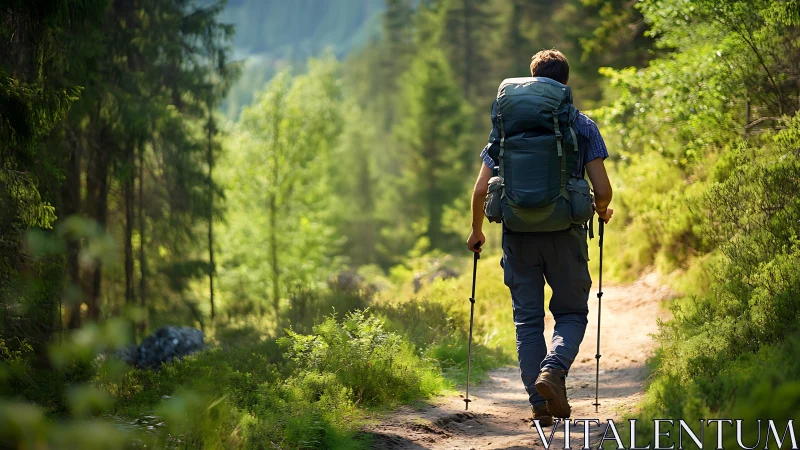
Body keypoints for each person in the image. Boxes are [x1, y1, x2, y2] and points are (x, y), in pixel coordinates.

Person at [466, 49, 614, 427]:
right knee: (570, 312)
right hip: (565, 235)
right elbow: (603, 188)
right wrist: (601, 211)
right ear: (564, 83)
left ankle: (539, 405)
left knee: (528, 322)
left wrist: (477, 230)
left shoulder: (505, 128)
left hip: (518, 236)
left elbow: (481, 190)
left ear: (532, 79)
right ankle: (554, 369)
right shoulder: (582, 125)